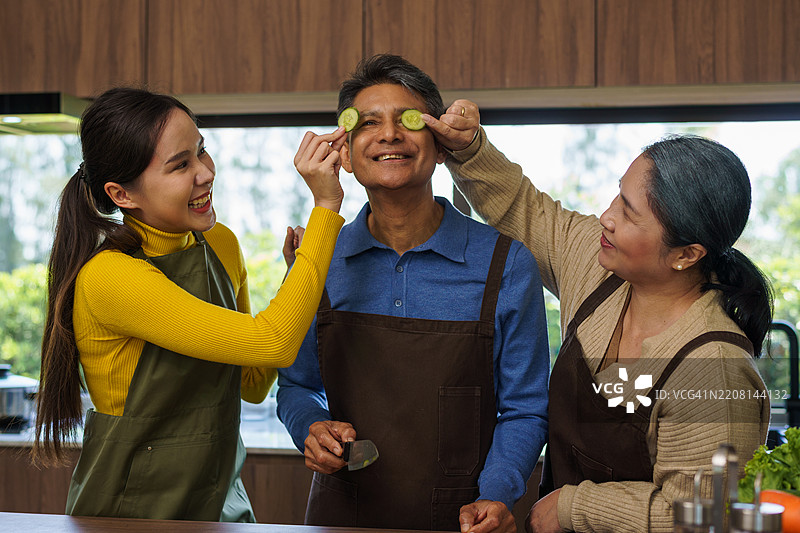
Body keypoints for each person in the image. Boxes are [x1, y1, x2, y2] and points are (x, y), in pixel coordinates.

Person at [423, 104, 772, 532]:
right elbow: (524, 208)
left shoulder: (713, 369)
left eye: (629, 213)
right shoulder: (597, 266)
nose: (606, 218)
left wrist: (573, 507)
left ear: (687, 254)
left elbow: (705, 517)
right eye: (616, 196)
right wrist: (470, 148)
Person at [33, 87, 346, 522]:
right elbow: (271, 342)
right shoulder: (111, 278)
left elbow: (253, 383)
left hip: (220, 508)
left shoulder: (221, 243)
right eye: (180, 165)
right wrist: (326, 206)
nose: (204, 173)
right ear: (122, 195)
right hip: (131, 516)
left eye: (202, 152)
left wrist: (298, 273)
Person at [276, 54, 550, 533]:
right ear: (343, 152)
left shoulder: (506, 264)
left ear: (441, 146)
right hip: (341, 515)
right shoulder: (316, 259)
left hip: (467, 519)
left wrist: (497, 493)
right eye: (366, 124)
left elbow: (526, 407)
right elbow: (296, 386)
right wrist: (310, 428)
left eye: (406, 120)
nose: (388, 135)